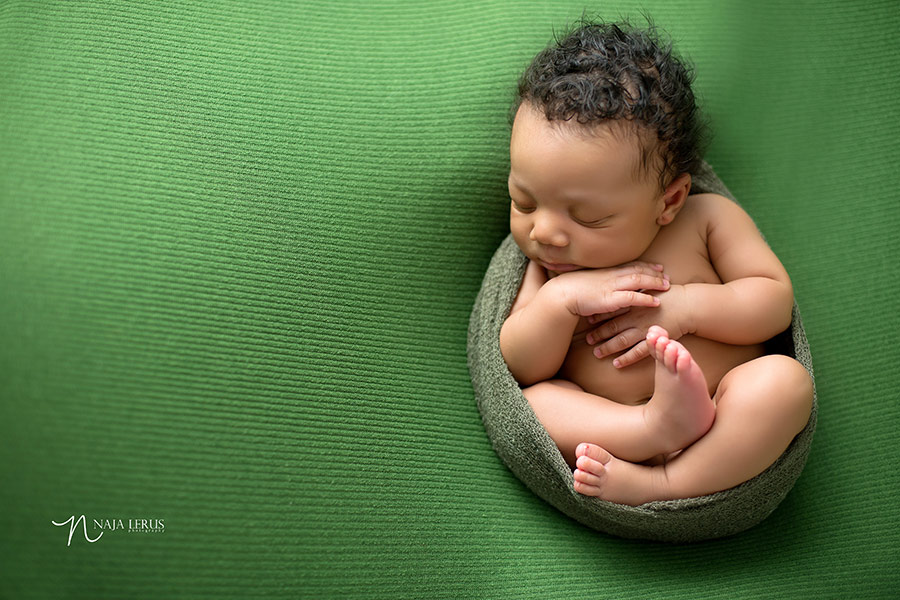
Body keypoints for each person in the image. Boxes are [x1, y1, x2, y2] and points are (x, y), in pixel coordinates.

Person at [498, 19, 813, 506]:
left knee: (785, 385)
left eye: (588, 216)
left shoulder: (705, 219)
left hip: (721, 417)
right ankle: (652, 428)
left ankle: (666, 484)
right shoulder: (550, 268)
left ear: (668, 201)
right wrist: (560, 302)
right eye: (524, 202)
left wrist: (687, 307)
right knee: (534, 406)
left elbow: (772, 302)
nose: (545, 232)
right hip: (616, 434)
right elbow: (520, 365)